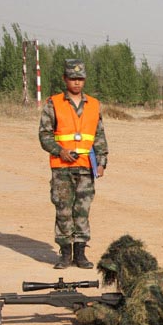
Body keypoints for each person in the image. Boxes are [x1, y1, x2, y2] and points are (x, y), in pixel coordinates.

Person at [38, 59, 108, 269]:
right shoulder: (54, 103)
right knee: (63, 209)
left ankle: (80, 253)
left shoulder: (94, 105)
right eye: (72, 78)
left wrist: (102, 161)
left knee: (82, 209)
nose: (76, 83)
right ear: (65, 79)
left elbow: (99, 135)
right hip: (62, 166)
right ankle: (65, 253)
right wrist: (60, 151)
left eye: (80, 79)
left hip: (86, 166)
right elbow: (44, 134)